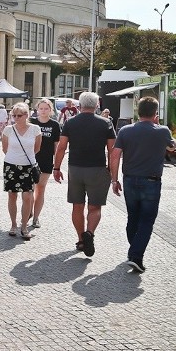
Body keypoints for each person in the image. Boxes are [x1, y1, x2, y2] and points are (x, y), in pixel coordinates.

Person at [109, 97, 175, 273]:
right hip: (151, 181)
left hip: (130, 179)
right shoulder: (163, 131)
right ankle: (136, 255)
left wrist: (114, 180)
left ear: (138, 111)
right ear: (155, 113)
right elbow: (172, 148)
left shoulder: (125, 130)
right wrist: (161, 127)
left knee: (133, 217)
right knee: (147, 220)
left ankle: (134, 252)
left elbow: (115, 156)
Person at [52, 91, 116, 256]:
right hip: (98, 169)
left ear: (79, 106)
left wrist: (57, 168)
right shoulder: (106, 123)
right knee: (95, 207)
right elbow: (112, 150)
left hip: (75, 169)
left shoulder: (71, 123)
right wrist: (113, 173)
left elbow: (61, 147)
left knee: (77, 205)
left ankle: (81, 240)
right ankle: (90, 233)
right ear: (96, 106)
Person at [1, 102, 42, 239]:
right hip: (11, 165)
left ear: (26, 115)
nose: (16, 118)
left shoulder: (35, 129)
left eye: (19, 115)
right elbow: (4, 148)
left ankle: (24, 226)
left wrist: (25, 158)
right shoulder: (8, 129)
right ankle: (13, 224)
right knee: (12, 195)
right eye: (14, 115)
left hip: (28, 166)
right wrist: (15, 157)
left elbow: (37, 148)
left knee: (28, 196)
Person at [29, 98, 61, 228]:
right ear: (37, 109)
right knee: (29, 189)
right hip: (31, 160)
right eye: (41, 108)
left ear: (50, 110)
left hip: (46, 160)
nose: (43, 111)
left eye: (46, 109)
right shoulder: (31, 122)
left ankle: (36, 217)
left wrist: (56, 164)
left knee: (40, 189)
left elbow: (56, 145)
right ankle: (28, 212)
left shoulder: (54, 125)